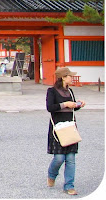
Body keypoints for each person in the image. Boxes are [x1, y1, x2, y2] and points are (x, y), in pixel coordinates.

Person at [46, 67, 85, 195]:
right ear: (63, 77)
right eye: (70, 76)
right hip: (58, 128)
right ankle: (52, 174)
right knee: (59, 158)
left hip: (70, 126)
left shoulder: (70, 91)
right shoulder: (51, 91)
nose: (71, 78)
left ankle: (69, 186)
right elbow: (50, 107)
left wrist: (78, 105)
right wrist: (65, 104)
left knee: (71, 158)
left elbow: (72, 108)